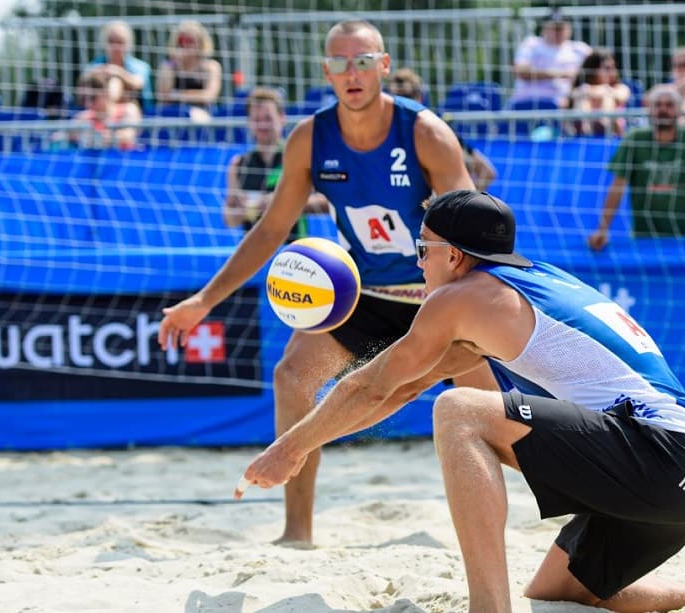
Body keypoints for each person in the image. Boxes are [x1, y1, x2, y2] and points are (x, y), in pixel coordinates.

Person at [236, 190, 685, 612]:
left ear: (455, 256)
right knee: (559, 593)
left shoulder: (462, 298)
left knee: (458, 412)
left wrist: (289, 449)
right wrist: (304, 443)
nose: (417, 262)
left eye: (423, 248)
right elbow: (400, 386)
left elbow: (368, 384)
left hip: (667, 457)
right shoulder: (524, 285)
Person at [158, 20, 494, 545]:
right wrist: (202, 301)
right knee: (292, 376)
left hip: (437, 295)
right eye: (339, 63)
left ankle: (559, 511)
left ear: (383, 66)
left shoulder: (425, 133)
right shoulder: (311, 138)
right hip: (365, 292)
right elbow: (271, 228)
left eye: (362, 61)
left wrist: (465, 307)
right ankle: (297, 534)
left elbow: (473, 229)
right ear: (326, 72)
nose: (351, 73)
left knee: (483, 413)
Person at [588, 84, 685, 249]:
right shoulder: (635, 139)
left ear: (679, 110)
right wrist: (602, 229)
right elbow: (617, 187)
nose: (663, 109)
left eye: (669, 105)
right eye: (658, 105)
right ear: (649, 110)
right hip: (643, 239)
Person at [223, 87, 329, 234]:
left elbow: (327, 202)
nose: (262, 125)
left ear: (282, 118)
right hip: (255, 251)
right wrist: (246, 210)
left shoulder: (300, 156)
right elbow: (229, 218)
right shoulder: (239, 164)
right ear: (249, 123)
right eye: (256, 119)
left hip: (293, 249)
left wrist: (280, 202)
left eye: (268, 118)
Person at [386, 67, 497, 191]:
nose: (402, 104)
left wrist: (467, 202)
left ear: (419, 98)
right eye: (397, 99)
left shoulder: (439, 132)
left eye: (406, 97)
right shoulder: (380, 135)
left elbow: (487, 172)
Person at [510, 8, 592, 108]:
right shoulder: (531, 44)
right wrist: (560, 74)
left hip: (570, 102)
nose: (557, 32)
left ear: (569, 28)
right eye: (553, 28)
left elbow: (597, 70)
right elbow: (520, 71)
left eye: (561, 28)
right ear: (544, 28)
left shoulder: (580, 49)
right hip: (531, 101)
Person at [156, 20, 223, 122]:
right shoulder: (169, 65)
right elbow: (163, 97)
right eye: (182, 40)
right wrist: (175, 64)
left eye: (190, 40)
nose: (186, 45)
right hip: (173, 112)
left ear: (201, 43)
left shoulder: (211, 66)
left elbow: (209, 96)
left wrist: (177, 95)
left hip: (202, 112)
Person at [81, 20, 154, 112]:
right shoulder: (96, 64)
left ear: (129, 44)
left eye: (120, 42)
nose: (115, 46)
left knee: (115, 81)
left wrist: (115, 72)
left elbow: (138, 82)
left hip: (134, 112)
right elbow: (84, 80)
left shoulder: (140, 66)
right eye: (111, 41)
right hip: (99, 112)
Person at [64, 72, 142, 150]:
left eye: (93, 98)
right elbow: (65, 134)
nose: (88, 104)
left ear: (105, 93)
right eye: (84, 99)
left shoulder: (128, 109)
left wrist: (93, 137)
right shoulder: (86, 116)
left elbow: (127, 137)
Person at [566, 48, 630, 137]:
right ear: (593, 70)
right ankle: (583, 126)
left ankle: (603, 123)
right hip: (586, 130)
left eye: (613, 67)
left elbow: (622, 96)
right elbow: (573, 95)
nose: (612, 72)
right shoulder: (583, 89)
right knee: (582, 98)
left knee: (607, 97)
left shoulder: (620, 87)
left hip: (614, 132)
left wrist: (603, 90)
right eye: (607, 68)